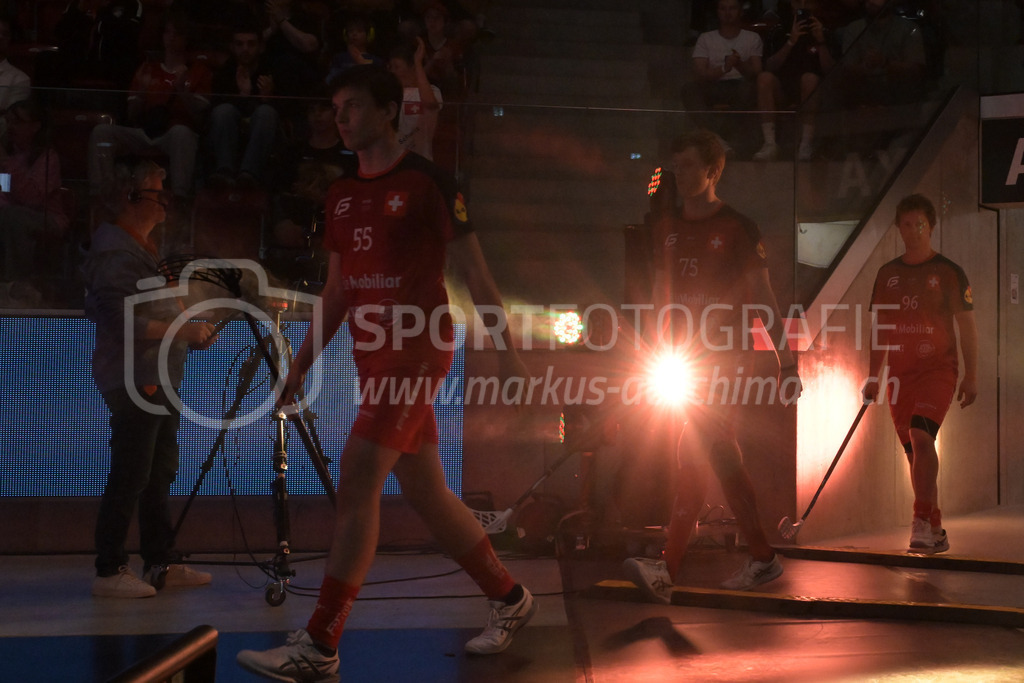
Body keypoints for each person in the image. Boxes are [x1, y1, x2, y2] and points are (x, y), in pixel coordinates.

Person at [236, 65, 534, 680]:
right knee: (426, 492)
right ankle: (512, 599)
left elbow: (477, 277)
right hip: (373, 359)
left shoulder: (429, 184)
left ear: (388, 112)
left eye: (351, 106)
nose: (339, 118)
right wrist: (299, 364)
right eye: (335, 107)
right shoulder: (341, 193)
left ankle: (320, 644)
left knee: (357, 482)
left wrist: (508, 354)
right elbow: (338, 289)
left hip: (417, 353)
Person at [623, 129, 801, 603]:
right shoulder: (665, 226)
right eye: (674, 166)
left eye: (687, 166)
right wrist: (654, 349)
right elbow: (662, 296)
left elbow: (763, 298)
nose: (678, 174)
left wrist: (787, 362)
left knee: (699, 451)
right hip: (683, 359)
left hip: (726, 358)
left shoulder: (739, 227)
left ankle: (668, 566)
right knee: (709, 454)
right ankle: (760, 556)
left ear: (712, 170)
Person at [82, 158, 217, 598]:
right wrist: (183, 328)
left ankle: (159, 562)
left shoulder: (138, 247)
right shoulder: (118, 250)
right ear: (130, 196)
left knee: (156, 469)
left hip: (154, 374)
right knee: (134, 469)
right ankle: (110, 568)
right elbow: (118, 316)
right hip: (136, 376)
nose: (165, 200)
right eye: (157, 191)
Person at [862, 194, 977, 554]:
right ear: (899, 228)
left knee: (921, 435)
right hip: (901, 373)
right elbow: (880, 326)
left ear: (931, 227)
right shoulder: (888, 274)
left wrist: (971, 375)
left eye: (920, 224)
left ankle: (920, 521)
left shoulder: (948, 271)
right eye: (907, 225)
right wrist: (873, 374)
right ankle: (935, 527)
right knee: (916, 452)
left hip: (938, 369)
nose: (913, 231)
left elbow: (967, 328)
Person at [87, 11, 212, 215]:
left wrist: (183, 91)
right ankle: (101, 195)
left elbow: (200, 118)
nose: (171, 38)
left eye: (177, 33)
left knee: (182, 134)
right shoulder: (148, 69)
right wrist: (143, 92)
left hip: (175, 134)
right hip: (145, 131)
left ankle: (179, 199)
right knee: (102, 131)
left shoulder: (199, 71)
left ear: (186, 37)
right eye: (167, 32)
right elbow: (132, 115)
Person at [0, 98, 68, 307]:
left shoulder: (47, 158)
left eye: (18, 121)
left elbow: (33, 199)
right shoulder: (9, 155)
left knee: (11, 217)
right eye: (9, 121)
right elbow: (5, 192)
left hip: (48, 218)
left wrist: (5, 162)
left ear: (35, 126)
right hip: (12, 214)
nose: (11, 127)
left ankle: (14, 283)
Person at [753, 0, 838, 161]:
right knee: (764, 78)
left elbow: (830, 70)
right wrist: (791, 41)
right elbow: (769, 66)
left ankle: (806, 144)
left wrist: (820, 41)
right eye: (799, 2)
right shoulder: (779, 31)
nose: (803, 6)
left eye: (808, 2)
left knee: (809, 78)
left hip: (813, 92)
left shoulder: (824, 31)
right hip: (783, 90)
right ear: (792, 4)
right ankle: (770, 144)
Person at [206, 21, 280, 189]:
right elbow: (214, 110)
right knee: (223, 111)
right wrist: (243, 96)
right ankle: (224, 171)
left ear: (260, 47)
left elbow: (287, 109)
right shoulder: (225, 72)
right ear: (232, 47)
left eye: (251, 44)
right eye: (239, 44)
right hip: (230, 128)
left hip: (264, 128)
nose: (245, 49)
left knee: (266, 112)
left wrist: (268, 98)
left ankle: (249, 174)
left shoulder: (272, 71)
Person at [682, 0, 763, 148]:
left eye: (732, 8)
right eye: (723, 9)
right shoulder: (706, 38)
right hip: (713, 85)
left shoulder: (752, 38)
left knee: (750, 89)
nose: (727, 13)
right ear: (718, 12)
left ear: (740, 12)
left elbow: (756, 72)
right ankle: (717, 137)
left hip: (740, 84)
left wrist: (739, 64)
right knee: (689, 90)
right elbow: (700, 73)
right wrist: (724, 68)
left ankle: (718, 136)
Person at [837, 0, 928, 107]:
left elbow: (916, 70)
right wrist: (866, 66)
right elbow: (847, 69)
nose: (871, 1)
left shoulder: (909, 29)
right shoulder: (854, 29)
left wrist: (885, 63)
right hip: (863, 99)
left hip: (901, 98)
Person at [389, 36, 442, 161]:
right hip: (393, 160)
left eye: (396, 67)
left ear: (412, 67)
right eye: (390, 67)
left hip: (421, 160)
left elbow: (430, 104)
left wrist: (418, 62)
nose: (392, 72)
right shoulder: (390, 93)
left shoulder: (432, 91)